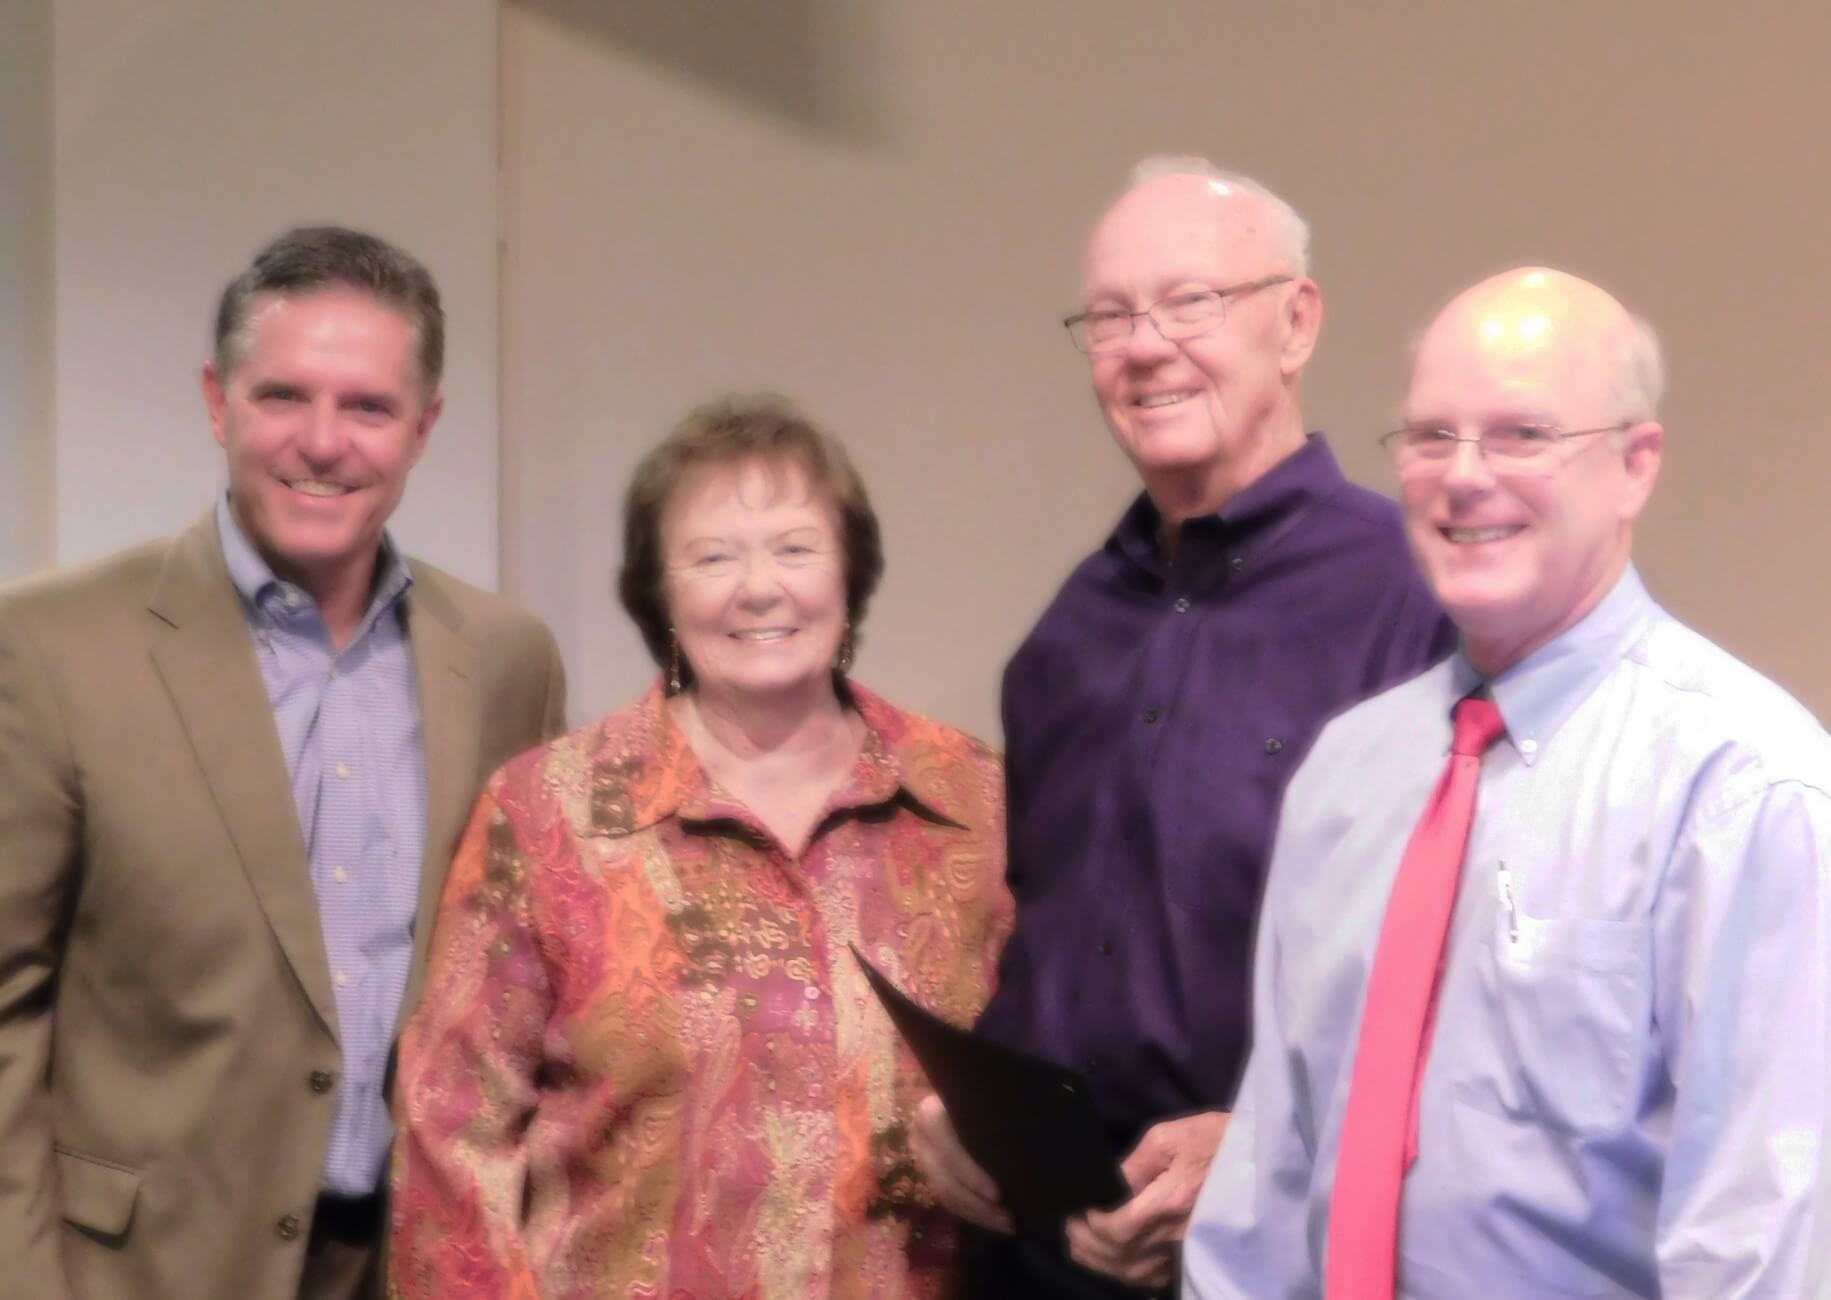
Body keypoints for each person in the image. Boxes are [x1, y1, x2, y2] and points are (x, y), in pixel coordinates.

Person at [1183, 267, 1831, 1298]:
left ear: (1633, 465)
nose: (1464, 475)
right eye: (1431, 436)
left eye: (1522, 435)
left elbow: (1761, 1237)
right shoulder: (1347, 775)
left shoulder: (1741, 785)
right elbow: (1269, 1179)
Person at [912, 158, 1454, 1295]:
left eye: (1189, 303)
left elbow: (1469, 986)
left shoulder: (1417, 603)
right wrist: (957, 1115)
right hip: (1039, 1257)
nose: (1144, 345)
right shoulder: (1065, 636)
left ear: (1294, 323)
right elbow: (1044, 944)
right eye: (1109, 316)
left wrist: (1261, 1146)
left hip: (1277, 1258)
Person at [0, 227, 567, 1300]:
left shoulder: (505, 661)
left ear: (424, 427)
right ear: (218, 401)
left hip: (414, 1262)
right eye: (282, 396)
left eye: (368, 406)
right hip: (136, 1270)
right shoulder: (45, 645)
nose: (323, 441)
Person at [390, 396, 1015, 1299]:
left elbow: (1052, 1086)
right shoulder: (547, 813)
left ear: (849, 574)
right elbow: (451, 1141)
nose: (759, 587)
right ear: (662, 592)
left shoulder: (972, 799)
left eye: (795, 548)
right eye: (712, 556)